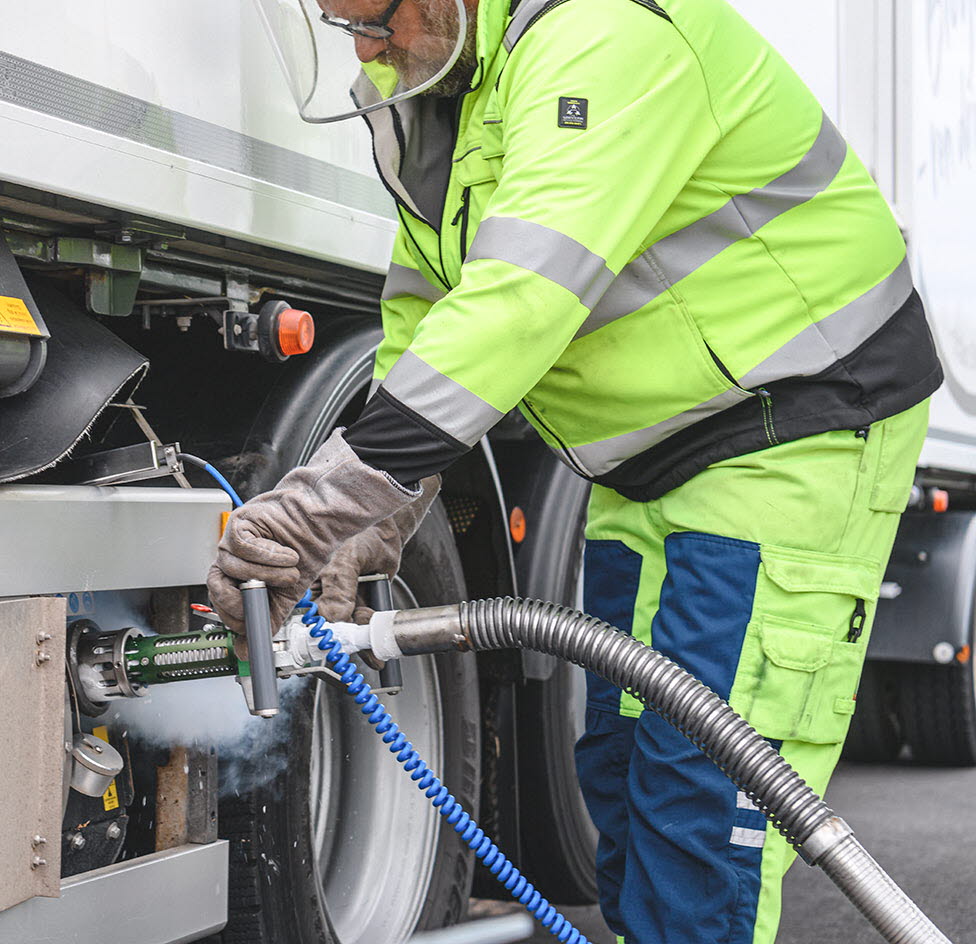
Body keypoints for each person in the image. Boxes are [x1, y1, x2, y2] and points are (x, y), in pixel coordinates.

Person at [211, 0, 943, 941]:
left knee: (699, 782)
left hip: (790, 424)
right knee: (621, 762)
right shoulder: (457, 88)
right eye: (344, 26)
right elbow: (430, 310)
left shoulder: (606, 32)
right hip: (649, 454)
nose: (366, 49)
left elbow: (523, 302)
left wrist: (312, 510)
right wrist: (370, 520)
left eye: (377, 19)